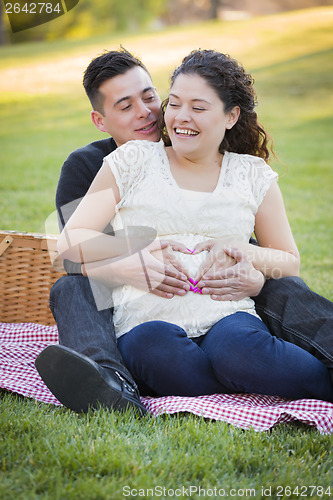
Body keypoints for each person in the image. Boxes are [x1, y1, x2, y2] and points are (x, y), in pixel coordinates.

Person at [35, 48, 333, 414]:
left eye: (151, 98)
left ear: (230, 115)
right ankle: (110, 382)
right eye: (126, 106)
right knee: (85, 298)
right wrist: (133, 257)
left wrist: (248, 266)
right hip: (134, 302)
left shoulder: (246, 172)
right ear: (101, 120)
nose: (148, 113)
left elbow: (281, 258)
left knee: (259, 318)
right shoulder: (103, 163)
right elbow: (71, 251)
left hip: (224, 300)